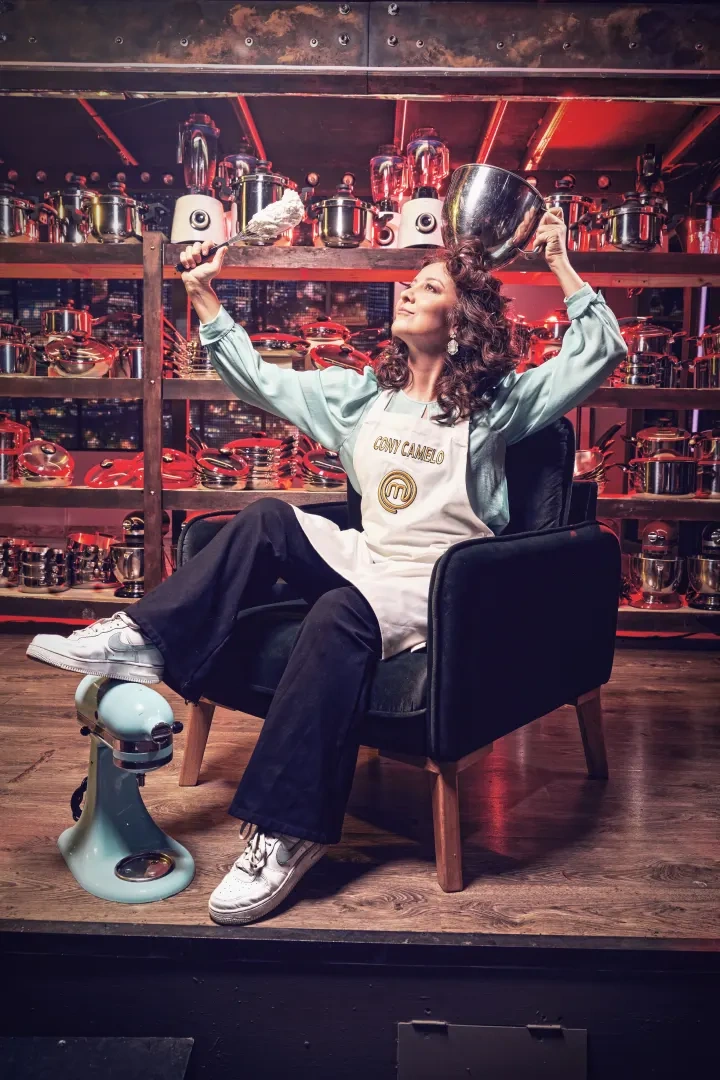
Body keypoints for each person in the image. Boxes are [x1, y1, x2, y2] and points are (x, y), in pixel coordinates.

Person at [27, 209, 626, 925]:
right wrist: (204, 295)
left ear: (460, 322)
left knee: (342, 612)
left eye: (429, 287)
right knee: (266, 517)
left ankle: (285, 834)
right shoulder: (358, 398)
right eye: (412, 282)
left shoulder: (498, 408)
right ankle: (143, 638)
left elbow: (601, 351)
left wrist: (560, 263)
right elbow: (258, 380)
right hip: (365, 555)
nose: (407, 291)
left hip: (435, 583)